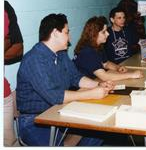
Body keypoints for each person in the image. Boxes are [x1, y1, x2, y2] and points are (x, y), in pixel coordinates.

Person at [17, 14, 114, 146]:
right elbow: (55, 96)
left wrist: (99, 84)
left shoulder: (61, 54)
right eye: (67, 32)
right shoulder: (34, 59)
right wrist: (91, 93)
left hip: (60, 111)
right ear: (55, 33)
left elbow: (76, 77)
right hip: (34, 121)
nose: (69, 38)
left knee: (102, 130)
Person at [74, 16, 143, 81]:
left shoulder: (98, 45)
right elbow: (104, 76)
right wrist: (132, 75)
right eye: (103, 32)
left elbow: (105, 63)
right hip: (80, 88)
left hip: (94, 81)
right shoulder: (87, 51)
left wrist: (117, 67)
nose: (108, 34)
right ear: (93, 34)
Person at [4, 0, 24, 146]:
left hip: (3, 93)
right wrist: (5, 42)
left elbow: (19, 48)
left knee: (9, 143)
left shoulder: (6, 7)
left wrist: (9, 42)